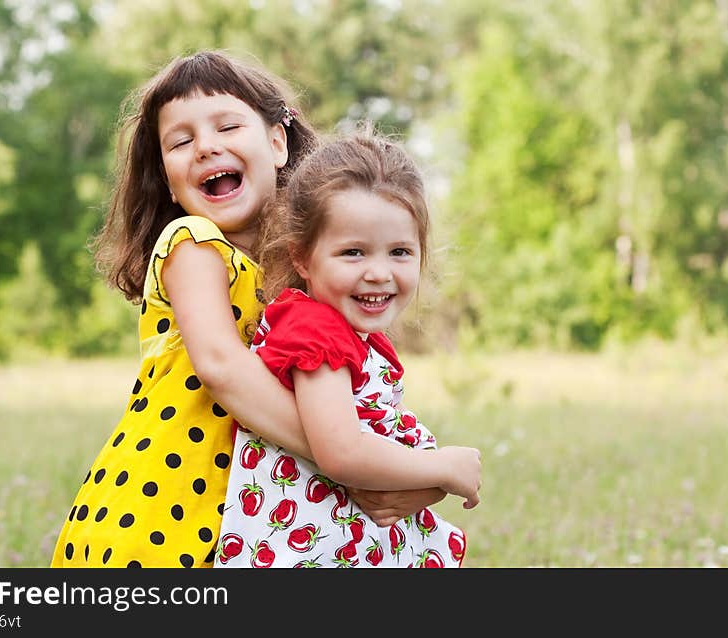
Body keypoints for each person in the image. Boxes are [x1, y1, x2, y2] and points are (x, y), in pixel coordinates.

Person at [51, 51, 447, 568]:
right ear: (167, 177)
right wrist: (355, 463)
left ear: (277, 143)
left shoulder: (303, 276)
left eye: (227, 126)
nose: (206, 147)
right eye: (181, 140)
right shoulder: (192, 245)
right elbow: (223, 369)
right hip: (162, 515)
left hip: (244, 516)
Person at [214, 130, 481, 568]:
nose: (379, 273)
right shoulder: (314, 332)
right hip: (311, 550)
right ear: (302, 258)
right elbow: (342, 451)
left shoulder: (347, 333)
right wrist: (444, 467)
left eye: (399, 252)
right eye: (353, 252)